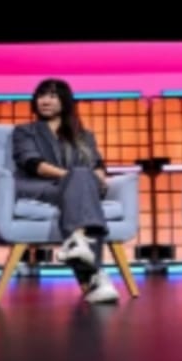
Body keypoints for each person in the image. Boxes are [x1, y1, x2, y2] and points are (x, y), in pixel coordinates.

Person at [11, 79, 119, 304]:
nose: (45, 101)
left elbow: (98, 165)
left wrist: (96, 178)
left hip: (80, 188)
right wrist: (75, 178)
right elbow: (32, 163)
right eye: (41, 96)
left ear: (65, 101)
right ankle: (96, 276)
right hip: (41, 187)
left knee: (82, 184)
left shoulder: (83, 136)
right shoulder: (24, 131)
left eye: (52, 96)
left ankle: (78, 244)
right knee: (81, 180)